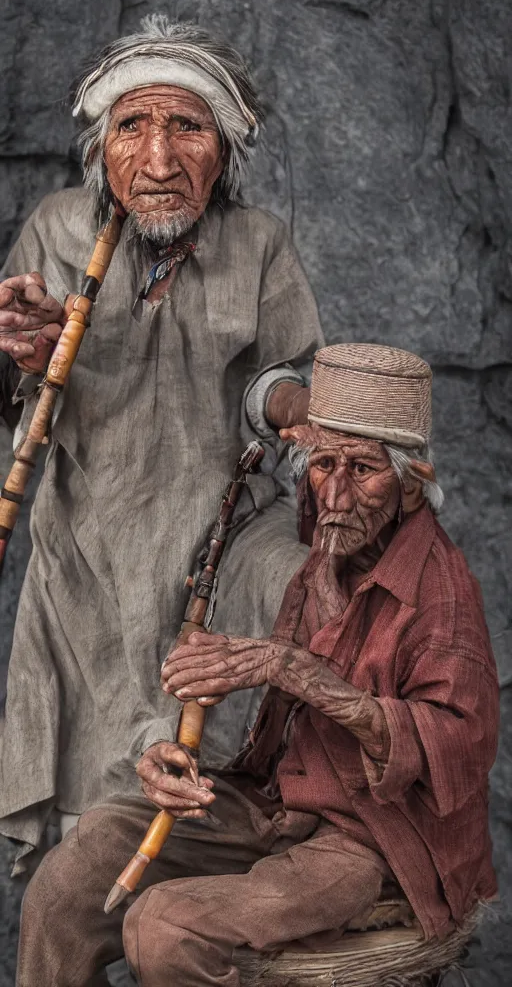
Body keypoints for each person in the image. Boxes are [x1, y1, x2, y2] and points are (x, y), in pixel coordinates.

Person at [17, 343, 499, 987]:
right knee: (71, 878)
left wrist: (290, 667)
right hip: (274, 805)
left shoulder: (441, 591)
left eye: (364, 469)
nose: (337, 493)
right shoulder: (323, 553)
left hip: (370, 840)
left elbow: (459, 745)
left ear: (413, 485)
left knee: (166, 929)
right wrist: (170, 756)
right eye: (323, 465)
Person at [0, 15, 322, 862]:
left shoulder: (258, 244)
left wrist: (296, 407)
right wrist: (23, 355)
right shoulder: (58, 230)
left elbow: (278, 378)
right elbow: (14, 399)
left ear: (226, 151)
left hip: (215, 549)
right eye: (132, 126)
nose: (158, 160)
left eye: (188, 125)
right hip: (88, 558)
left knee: (208, 783)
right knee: (90, 827)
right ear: (103, 144)